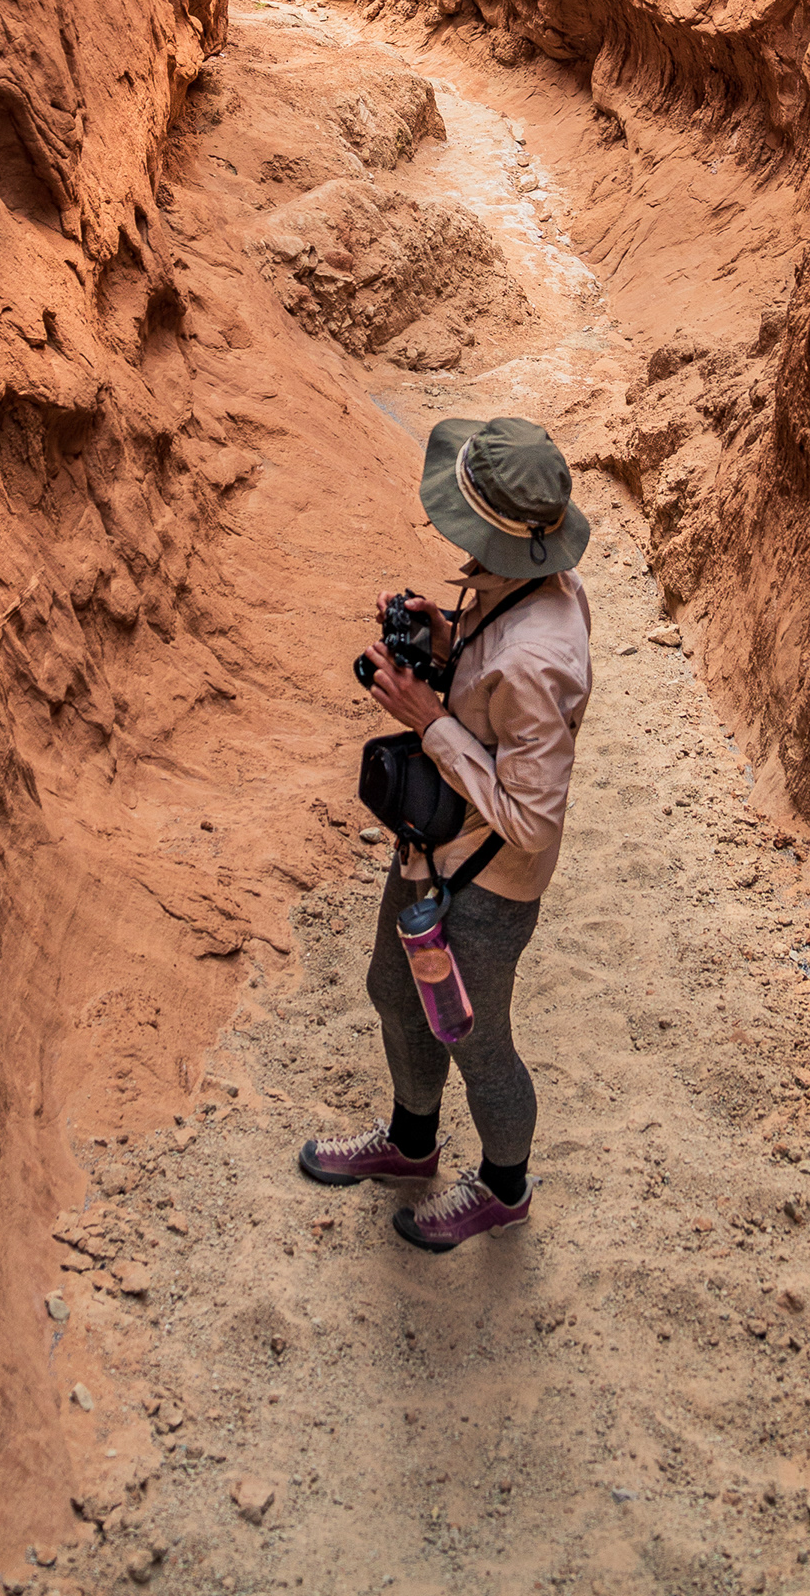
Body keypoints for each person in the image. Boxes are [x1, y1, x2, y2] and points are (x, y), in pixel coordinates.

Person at [298, 414, 593, 1252]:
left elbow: (533, 821)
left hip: (486, 885)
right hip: (440, 853)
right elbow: (493, 669)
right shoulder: (539, 584)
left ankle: (504, 1190)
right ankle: (412, 1143)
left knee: (476, 1038)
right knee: (397, 992)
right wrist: (441, 635)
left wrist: (430, 721)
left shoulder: (539, 660)